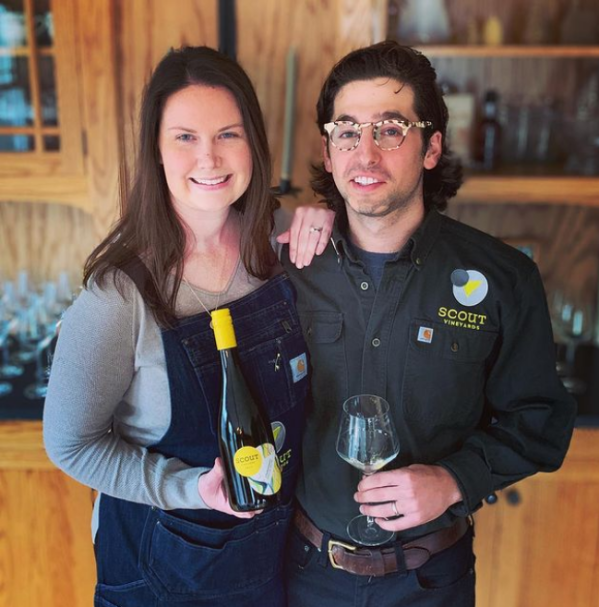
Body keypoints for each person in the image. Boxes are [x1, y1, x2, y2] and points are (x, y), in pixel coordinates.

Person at [280, 41, 576, 607]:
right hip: (304, 574)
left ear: (432, 147)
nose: (365, 153)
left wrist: (454, 480)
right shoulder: (288, 266)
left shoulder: (503, 277)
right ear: (329, 150)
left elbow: (540, 421)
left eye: (390, 129)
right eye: (347, 131)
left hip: (432, 582)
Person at [43, 46, 333, 607]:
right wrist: (188, 488)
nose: (209, 157)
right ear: (155, 150)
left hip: (275, 559)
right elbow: (70, 445)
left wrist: (327, 217)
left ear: (253, 144)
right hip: (162, 573)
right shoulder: (119, 296)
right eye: (184, 137)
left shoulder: (279, 246)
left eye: (228, 134)